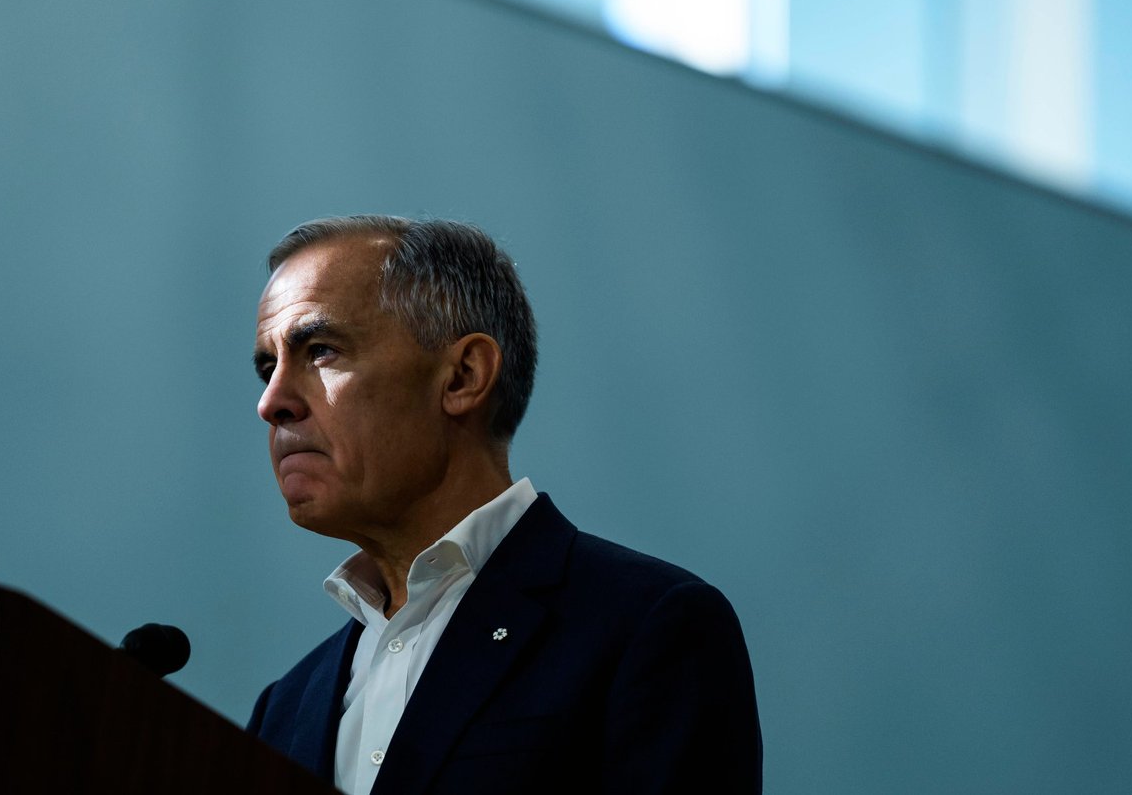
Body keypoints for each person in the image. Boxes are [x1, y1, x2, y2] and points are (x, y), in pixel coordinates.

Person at [246, 214, 762, 794]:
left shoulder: (647, 626)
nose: (272, 402)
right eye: (267, 368)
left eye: (319, 350)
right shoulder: (283, 710)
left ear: (463, 376)